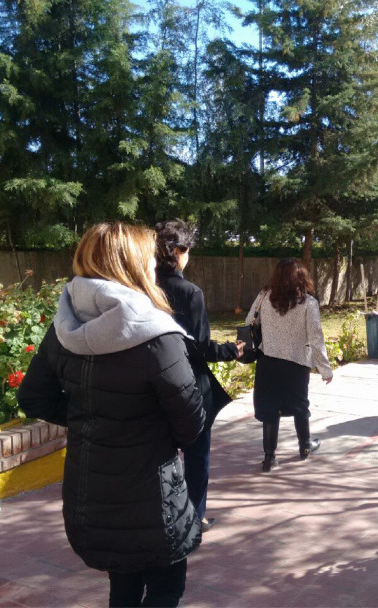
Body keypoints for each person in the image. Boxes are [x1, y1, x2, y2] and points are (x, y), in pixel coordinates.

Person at [17, 222, 205, 608]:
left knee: (122, 587)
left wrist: (92, 417)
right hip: (153, 500)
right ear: (133, 265)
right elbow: (190, 423)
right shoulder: (155, 335)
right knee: (166, 589)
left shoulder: (64, 327)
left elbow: (34, 397)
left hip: (93, 494)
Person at [153, 219, 243, 533]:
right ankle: (194, 516)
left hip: (151, 382)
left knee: (159, 454)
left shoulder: (144, 287)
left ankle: (159, 513)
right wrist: (233, 349)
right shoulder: (189, 292)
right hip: (188, 384)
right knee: (196, 455)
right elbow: (201, 347)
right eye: (187, 249)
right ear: (178, 251)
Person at [245, 258, 333, 472]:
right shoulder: (308, 303)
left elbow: (248, 323)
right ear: (302, 277)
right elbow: (316, 337)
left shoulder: (264, 296)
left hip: (268, 360)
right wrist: (325, 368)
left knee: (269, 407)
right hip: (297, 362)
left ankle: (269, 458)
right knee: (300, 404)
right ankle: (305, 447)